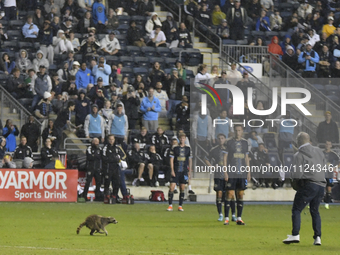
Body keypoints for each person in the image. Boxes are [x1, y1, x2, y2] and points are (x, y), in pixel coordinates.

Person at [283, 132, 326, 245]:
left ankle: (295, 235)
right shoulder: (319, 151)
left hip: (309, 184)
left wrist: (296, 186)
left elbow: (297, 174)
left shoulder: (299, 155)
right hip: (321, 185)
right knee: (315, 211)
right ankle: (318, 238)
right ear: (309, 140)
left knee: (296, 210)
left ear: (298, 141)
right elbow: (323, 166)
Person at [223, 125, 250, 225]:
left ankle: (239, 217)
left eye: (239, 130)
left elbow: (246, 157)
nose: (237, 132)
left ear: (242, 131)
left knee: (240, 194)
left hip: (242, 172)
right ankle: (226, 217)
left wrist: (248, 171)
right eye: (236, 130)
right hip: (231, 172)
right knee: (229, 194)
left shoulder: (245, 142)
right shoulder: (229, 142)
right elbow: (225, 157)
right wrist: (225, 171)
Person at [205, 133, 228, 221]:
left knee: (228, 195)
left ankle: (230, 214)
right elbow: (206, 158)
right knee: (219, 194)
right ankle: (220, 214)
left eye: (222, 138)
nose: (221, 140)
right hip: (218, 175)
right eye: (219, 138)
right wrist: (211, 167)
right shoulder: (214, 150)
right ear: (217, 140)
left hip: (228, 175)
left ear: (225, 139)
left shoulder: (229, 149)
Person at [167, 133, 192, 212]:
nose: (182, 139)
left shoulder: (188, 149)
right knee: (172, 187)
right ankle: (170, 205)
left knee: (182, 188)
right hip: (176, 170)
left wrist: (189, 171)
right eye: (180, 138)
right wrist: (172, 170)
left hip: (184, 170)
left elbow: (190, 160)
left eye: (183, 138)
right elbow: (171, 159)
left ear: (185, 139)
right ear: (179, 139)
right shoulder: (175, 148)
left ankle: (180, 205)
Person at [102, 134, 127, 203]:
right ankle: (106, 197)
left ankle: (114, 196)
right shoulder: (105, 148)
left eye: (112, 139)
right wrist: (114, 159)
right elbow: (104, 158)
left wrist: (120, 159)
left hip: (116, 167)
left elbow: (124, 155)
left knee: (116, 183)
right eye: (110, 139)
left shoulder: (118, 147)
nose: (111, 141)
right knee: (107, 183)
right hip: (108, 167)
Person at [322, 140, 338, 209]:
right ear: (325, 145)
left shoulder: (333, 154)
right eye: (326, 144)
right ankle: (317, 202)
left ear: (331, 146)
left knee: (329, 188)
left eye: (329, 144)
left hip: (329, 174)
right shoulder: (321, 153)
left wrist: (335, 168)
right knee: (320, 188)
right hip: (321, 173)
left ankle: (327, 203)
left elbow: (338, 162)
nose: (327, 145)